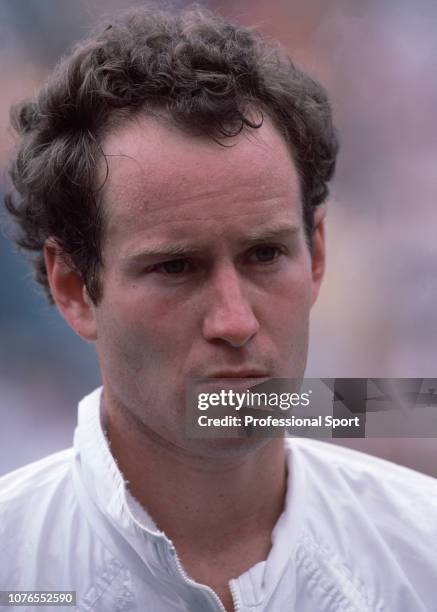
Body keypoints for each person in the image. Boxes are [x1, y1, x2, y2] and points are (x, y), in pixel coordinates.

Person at [1, 5, 436, 611]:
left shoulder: (423, 551)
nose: (234, 322)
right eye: (175, 268)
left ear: (315, 256)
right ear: (75, 287)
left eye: (264, 255)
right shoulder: (14, 563)